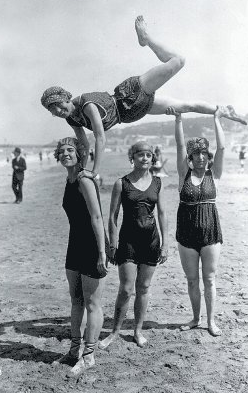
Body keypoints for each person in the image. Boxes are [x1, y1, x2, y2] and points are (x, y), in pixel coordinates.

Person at [41, 16, 247, 180]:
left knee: (179, 61)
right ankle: (222, 110)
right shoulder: (71, 118)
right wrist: (81, 170)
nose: (59, 111)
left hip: (129, 96)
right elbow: (84, 145)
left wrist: (94, 171)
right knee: (185, 106)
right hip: (132, 114)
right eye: (54, 110)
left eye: (59, 105)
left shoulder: (86, 104)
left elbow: (100, 137)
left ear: (67, 98)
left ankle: (147, 39)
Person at [99, 141, 168, 349]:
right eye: (140, 155)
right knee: (126, 289)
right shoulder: (122, 183)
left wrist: (165, 244)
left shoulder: (157, 182)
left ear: (152, 158)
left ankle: (137, 331)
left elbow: (163, 214)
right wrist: (112, 244)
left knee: (144, 287)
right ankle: (114, 332)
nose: (145, 158)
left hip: (151, 241)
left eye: (148, 155)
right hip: (128, 241)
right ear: (133, 157)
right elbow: (112, 217)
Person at [52, 137, 110, 378]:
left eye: (70, 150)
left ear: (79, 154)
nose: (66, 154)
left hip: (92, 245)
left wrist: (102, 253)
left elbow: (97, 218)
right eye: (62, 151)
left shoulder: (85, 179)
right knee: (76, 300)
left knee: (92, 302)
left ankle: (89, 356)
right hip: (74, 244)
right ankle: (74, 350)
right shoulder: (69, 179)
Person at [169, 106, 225, 337]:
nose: (200, 157)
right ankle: (195, 318)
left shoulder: (215, 174)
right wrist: (178, 119)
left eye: (204, 153)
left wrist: (216, 119)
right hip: (186, 234)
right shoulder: (183, 176)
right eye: (196, 154)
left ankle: (210, 321)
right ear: (190, 159)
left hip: (211, 233)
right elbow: (180, 145)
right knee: (192, 280)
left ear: (208, 157)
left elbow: (222, 147)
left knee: (209, 279)